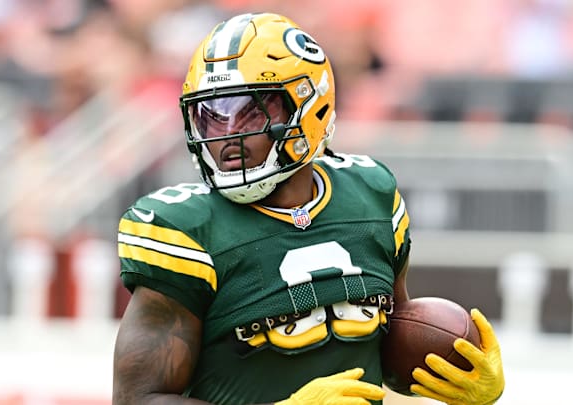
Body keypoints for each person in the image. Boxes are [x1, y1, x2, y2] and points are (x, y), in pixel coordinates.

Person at [112, 12, 504, 405]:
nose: (228, 135)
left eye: (251, 112)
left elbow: (384, 350)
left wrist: (456, 376)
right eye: (212, 116)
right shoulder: (184, 230)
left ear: (310, 108)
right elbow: (137, 400)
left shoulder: (371, 195)